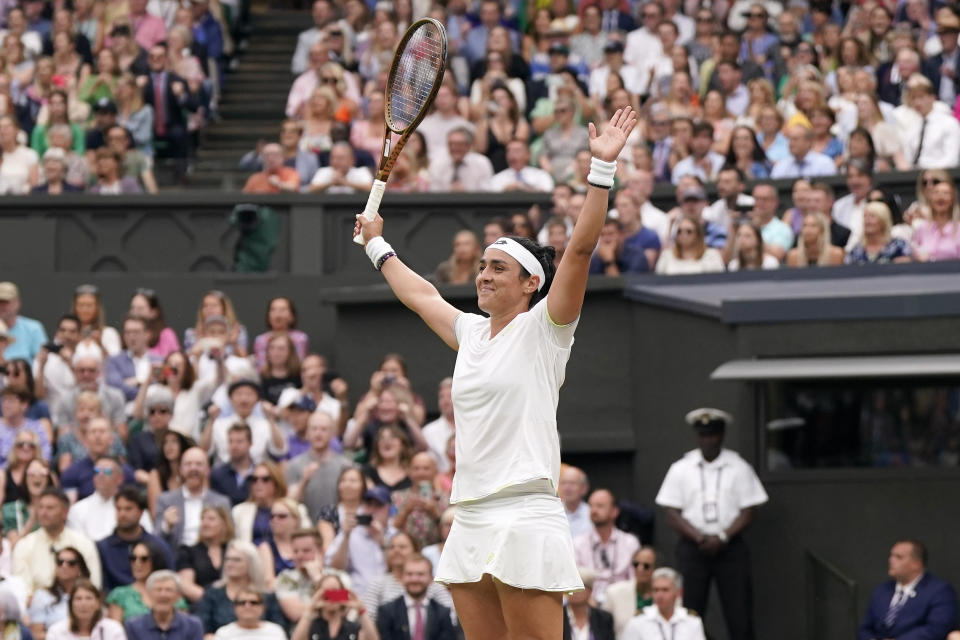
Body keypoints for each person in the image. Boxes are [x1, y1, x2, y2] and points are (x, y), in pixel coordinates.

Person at [353, 107, 636, 639]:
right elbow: (421, 295)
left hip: (527, 512)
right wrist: (376, 244)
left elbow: (579, 250)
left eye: (497, 268)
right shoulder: (469, 333)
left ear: (531, 284)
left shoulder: (547, 327)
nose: (483, 275)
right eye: (482, 266)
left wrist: (601, 172)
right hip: (471, 514)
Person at [655, 408, 768, 640]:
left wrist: (723, 537)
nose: (708, 440)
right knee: (690, 611)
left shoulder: (739, 466)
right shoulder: (681, 468)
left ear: (722, 434)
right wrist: (699, 537)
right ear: (697, 436)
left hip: (730, 546)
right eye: (703, 435)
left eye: (713, 434)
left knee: (739, 612)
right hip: (693, 546)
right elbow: (671, 513)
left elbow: (748, 511)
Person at [858, 540, 958, 640]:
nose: (891, 560)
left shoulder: (939, 591)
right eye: (891, 556)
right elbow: (865, 628)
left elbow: (936, 628)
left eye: (898, 557)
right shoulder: (882, 590)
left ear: (916, 563)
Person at [12, 488, 102, 595]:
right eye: (41, 507)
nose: (43, 513)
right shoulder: (25, 545)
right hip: (36, 607)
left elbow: (94, 585)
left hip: (77, 605)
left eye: (50, 508)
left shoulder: (83, 544)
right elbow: (21, 590)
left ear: (65, 512)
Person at [193, 540, 286, 636]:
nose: (229, 564)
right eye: (227, 559)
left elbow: (277, 628)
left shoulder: (267, 595)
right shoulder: (212, 593)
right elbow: (203, 630)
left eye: (236, 560)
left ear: (251, 562)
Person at [363, 532, 454, 624]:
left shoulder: (432, 584)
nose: (396, 550)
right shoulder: (377, 584)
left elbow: (450, 617)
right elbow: (368, 619)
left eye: (402, 547)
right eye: (391, 547)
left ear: (415, 550)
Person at [96, 485, 172, 592]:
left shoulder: (158, 546)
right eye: (118, 509)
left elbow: (169, 579)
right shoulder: (102, 547)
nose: (122, 514)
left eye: (128, 509)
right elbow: (102, 587)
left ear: (141, 512)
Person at [154, 447, 231, 549]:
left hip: (210, 558)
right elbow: (155, 540)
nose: (193, 468)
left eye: (199, 464)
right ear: (180, 470)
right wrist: (166, 526)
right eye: (188, 464)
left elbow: (229, 538)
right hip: (177, 559)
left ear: (208, 470)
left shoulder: (221, 502)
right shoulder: (165, 500)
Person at [573, 489, 641, 605]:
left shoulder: (630, 542)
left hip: (622, 603)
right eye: (591, 506)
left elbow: (635, 580)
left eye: (600, 506)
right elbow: (574, 580)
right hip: (588, 603)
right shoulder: (578, 543)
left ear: (614, 511)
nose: (593, 510)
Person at [286, 411, 352, 522]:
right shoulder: (294, 465)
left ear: (332, 434)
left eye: (323, 429)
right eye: (314, 429)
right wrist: (304, 480)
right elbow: (289, 504)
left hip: (337, 528)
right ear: (307, 432)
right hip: (305, 531)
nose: (318, 434)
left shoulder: (345, 466)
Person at [67, 458, 149, 542]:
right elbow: (78, 544)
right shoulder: (78, 509)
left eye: (107, 471)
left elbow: (147, 535)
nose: (101, 475)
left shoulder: (132, 507)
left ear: (120, 479)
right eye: (97, 471)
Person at [376, 554, 457, 640]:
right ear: (402, 577)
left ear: (431, 578)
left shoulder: (442, 613)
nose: (414, 579)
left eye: (420, 574)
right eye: (409, 574)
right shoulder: (387, 611)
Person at [106, 539, 184, 622]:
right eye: (133, 558)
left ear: (155, 560)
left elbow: (183, 627)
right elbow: (115, 631)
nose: (137, 563)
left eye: (144, 559)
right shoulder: (119, 595)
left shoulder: (172, 593)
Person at [622, 568, 706, 640]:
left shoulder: (692, 621)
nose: (659, 595)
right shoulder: (639, 621)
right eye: (656, 590)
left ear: (678, 592)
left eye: (665, 590)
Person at [28, 547, 91, 640]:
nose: (64, 566)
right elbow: (36, 634)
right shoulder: (42, 595)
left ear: (80, 569)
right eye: (60, 562)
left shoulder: (89, 596)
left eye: (71, 563)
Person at [290, 573, 376, 640]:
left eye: (335, 593)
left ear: (342, 593)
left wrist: (361, 610)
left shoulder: (352, 627)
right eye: (327, 594)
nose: (331, 598)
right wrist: (311, 608)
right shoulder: (310, 627)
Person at [124, 570, 204, 640]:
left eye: (169, 590)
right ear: (148, 594)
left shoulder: (193, 625)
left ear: (178, 595)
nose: (163, 594)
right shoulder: (133, 626)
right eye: (158, 590)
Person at [176, 506, 233, 603]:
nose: (205, 523)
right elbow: (186, 585)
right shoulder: (188, 552)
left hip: (233, 604)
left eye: (211, 519)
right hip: (200, 604)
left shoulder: (233, 550)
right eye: (202, 519)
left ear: (224, 524)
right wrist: (213, 602)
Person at [602, 546, 658, 638]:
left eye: (646, 566)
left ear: (655, 568)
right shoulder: (614, 592)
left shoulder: (666, 593)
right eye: (636, 564)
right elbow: (603, 630)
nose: (640, 569)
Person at [45, 580, 125, 640]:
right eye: (78, 599)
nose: (83, 604)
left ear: (98, 603)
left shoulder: (113, 629)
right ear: (71, 604)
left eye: (89, 598)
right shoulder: (56, 631)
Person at [275, 529, 325, 623]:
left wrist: (318, 578)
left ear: (321, 552)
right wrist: (328, 608)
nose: (299, 556)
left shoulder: (338, 576)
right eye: (295, 551)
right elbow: (296, 614)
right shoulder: (286, 579)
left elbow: (342, 606)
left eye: (306, 551)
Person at [846, 202, 913, 265]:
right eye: (865, 216)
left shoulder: (898, 246)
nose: (867, 221)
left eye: (872, 216)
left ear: (883, 221)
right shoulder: (856, 250)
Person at [252, 298, 308, 370]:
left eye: (282, 310)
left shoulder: (300, 338)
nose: (277, 315)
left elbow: (300, 366)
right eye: (273, 310)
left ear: (292, 316)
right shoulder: (261, 340)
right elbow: (261, 368)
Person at [213, 585, 287, 640]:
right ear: (234, 607)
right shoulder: (223, 633)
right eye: (242, 602)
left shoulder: (276, 631)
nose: (247, 606)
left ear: (262, 607)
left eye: (254, 602)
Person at [209, 423, 255, 506]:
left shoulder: (260, 474)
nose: (234, 446)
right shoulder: (217, 474)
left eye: (239, 441)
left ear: (250, 443)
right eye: (230, 441)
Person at [563, 568, 615, 640]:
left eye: (580, 587)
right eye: (571, 587)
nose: (575, 592)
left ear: (590, 591)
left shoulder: (604, 618)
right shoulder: (557, 616)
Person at [0, 282, 47, 362]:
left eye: (6, 302)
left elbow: (42, 362)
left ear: (17, 303)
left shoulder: (33, 328)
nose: (1, 305)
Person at [770, 125, 838, 179]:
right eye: (789, 139)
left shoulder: (824, 163)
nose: (790, 143)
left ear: (808, 142)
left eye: (795, 139)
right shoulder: (782, 165)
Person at [558, 466, 591, 540]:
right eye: (563, 483)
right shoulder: (552, 513)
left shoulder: (592, 514)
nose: (567, 488)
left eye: (572, 483)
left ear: (584, 488)